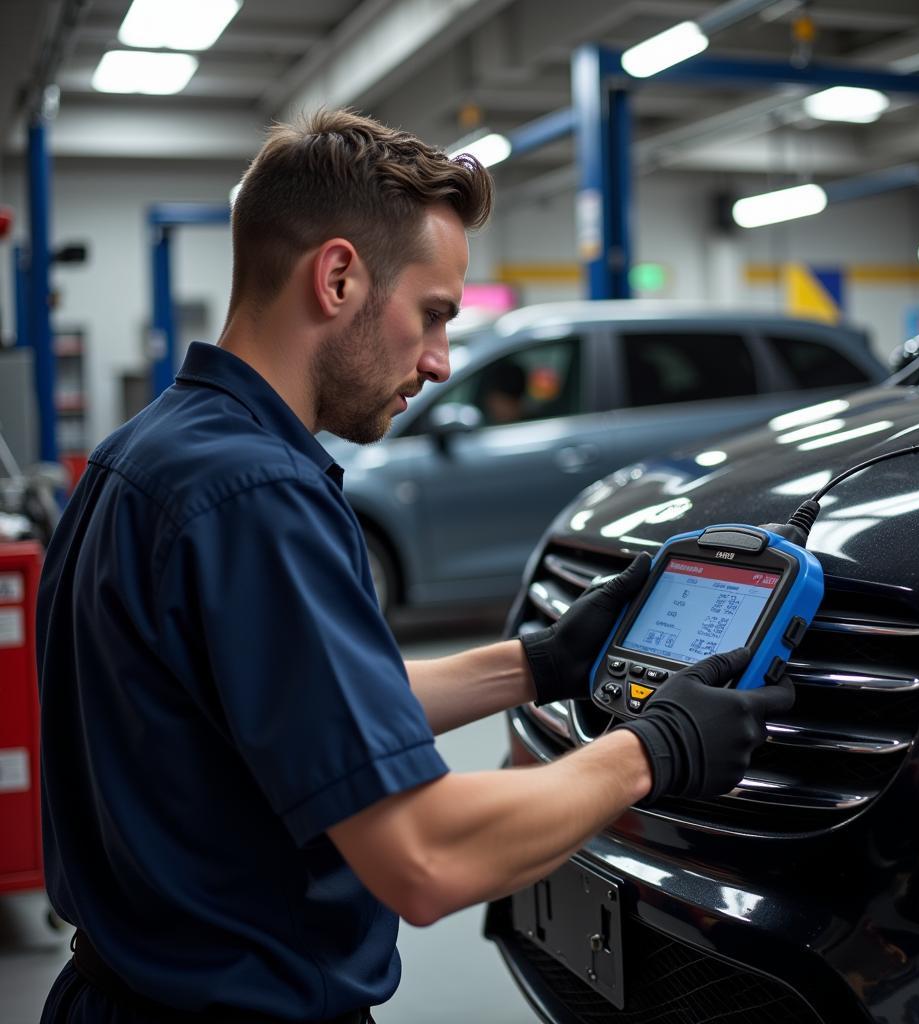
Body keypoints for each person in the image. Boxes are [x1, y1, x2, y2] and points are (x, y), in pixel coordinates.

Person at [36, 109, 794, 1024]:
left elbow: (301, 710)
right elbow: (428, 859)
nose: (440, 362)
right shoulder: (256, 496)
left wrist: (539, 663)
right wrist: (652, 752)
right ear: (340, 276)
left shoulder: (144, 454)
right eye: (434, 315)